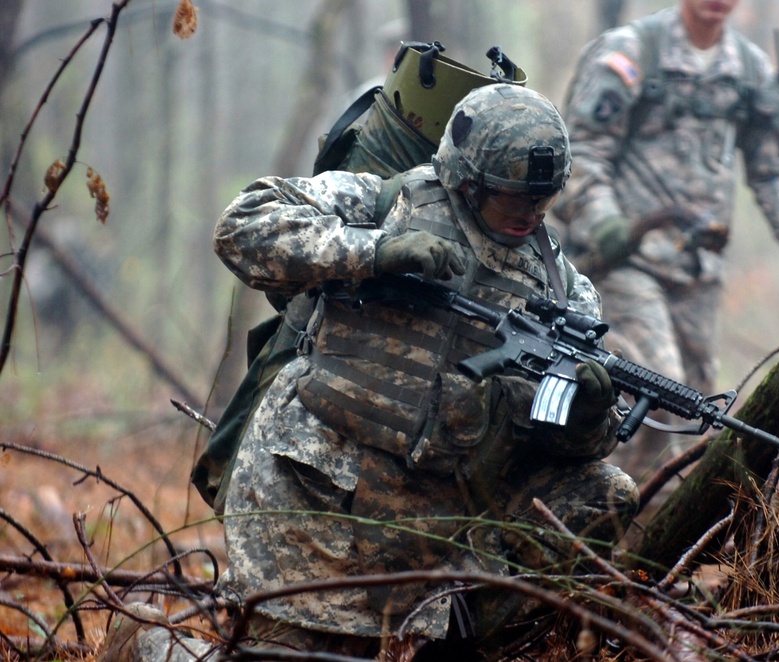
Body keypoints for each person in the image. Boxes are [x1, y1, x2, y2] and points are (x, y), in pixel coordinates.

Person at [211, 83, 638, 658]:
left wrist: (588, 417)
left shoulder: (561, 290)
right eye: (512, 197)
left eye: (542, 200)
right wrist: (372, 251)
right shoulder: (389, 202)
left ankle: (486, 637)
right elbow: (241, 227)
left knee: (606, 492)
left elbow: (567, 445)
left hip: (444, 517)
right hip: (316, 497)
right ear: (468, 179)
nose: (528, 213)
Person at [553, 0, 779, 482]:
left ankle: (622, 527)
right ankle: (576, 515)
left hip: (697, 271)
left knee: (690, 411)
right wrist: (604, 224)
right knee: (651, 386)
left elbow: (773, 169)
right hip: (625, 261)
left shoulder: (749, 71)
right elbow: (581, 152)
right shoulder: (632, 52)